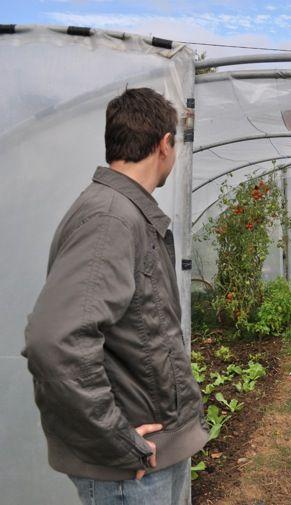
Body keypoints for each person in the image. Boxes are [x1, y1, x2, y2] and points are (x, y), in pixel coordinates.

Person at [23, 88, 207, 505]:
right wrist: (115, 438)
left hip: (149, 455)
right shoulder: (111, 219)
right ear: (164, 144)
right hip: (130, 470)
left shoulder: (124, 212)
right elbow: (55, 341)